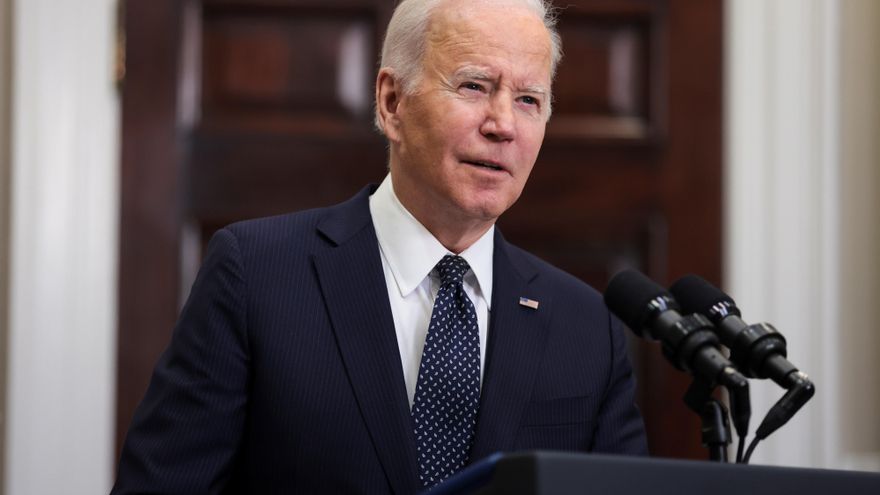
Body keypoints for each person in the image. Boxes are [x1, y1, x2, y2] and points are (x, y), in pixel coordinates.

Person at [111, 0, 647, 493]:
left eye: (529, 100)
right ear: (392, 102)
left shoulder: (586, 328)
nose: (503, 125)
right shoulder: (256, 274)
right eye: (474, 86)